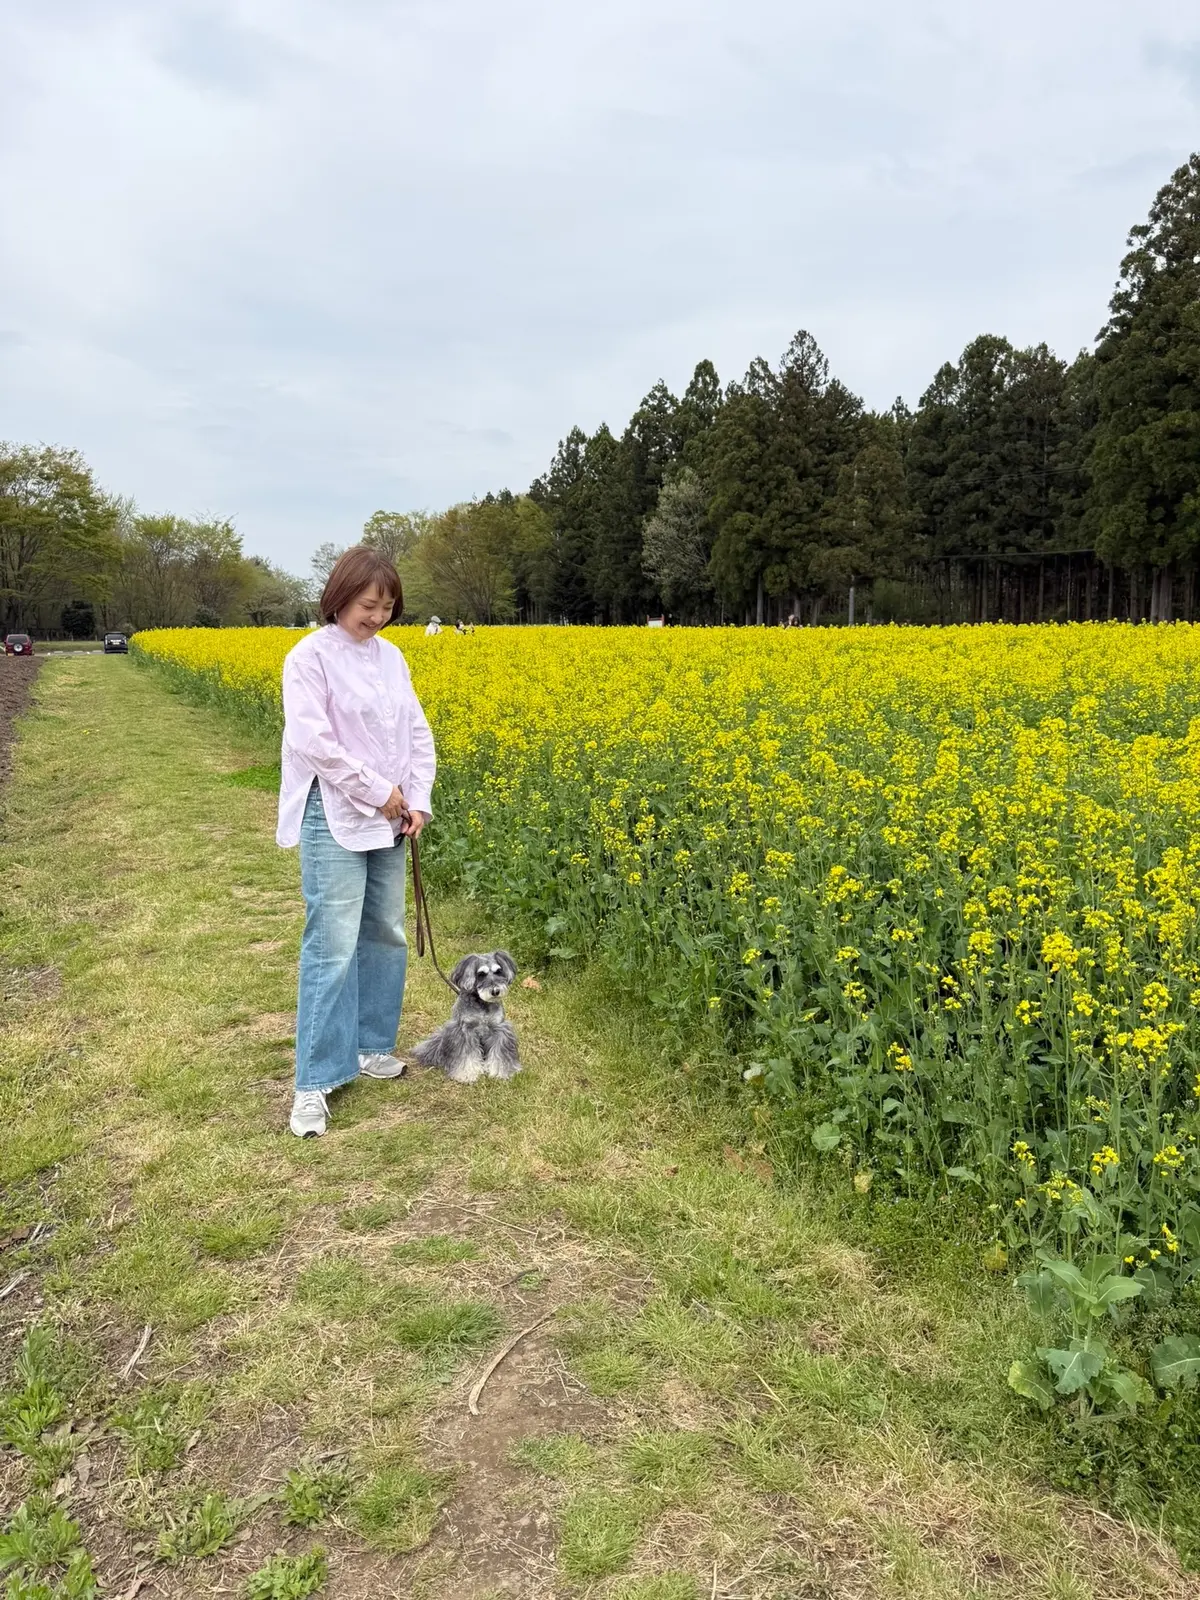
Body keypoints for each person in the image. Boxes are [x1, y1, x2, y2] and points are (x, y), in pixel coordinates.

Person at [277, 546, 436, 1138]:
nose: (378, 616)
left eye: (388, 607)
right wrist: (378, 791)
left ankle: (371, 1045)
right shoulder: (309, 657)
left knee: (386, 932)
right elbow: (313, 741)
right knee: (333, 944)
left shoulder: (392, 657)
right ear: (340, 596)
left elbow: (417, 732)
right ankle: (314, 1080)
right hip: (337, 812)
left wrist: (416, 799)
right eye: (369, 604)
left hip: (392, 815)